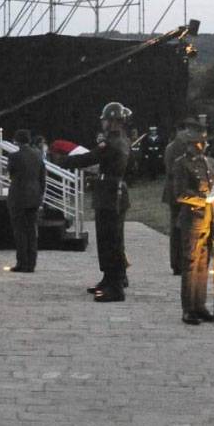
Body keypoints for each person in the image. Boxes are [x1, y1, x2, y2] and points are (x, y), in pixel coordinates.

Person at [63, 101, 132, 302]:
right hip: (110, 192)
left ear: (111, 121)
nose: (102, 123)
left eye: (105, 120)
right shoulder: (118, 139)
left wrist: (64, 161)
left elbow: (90, 158)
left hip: (111, 194)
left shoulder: (113, 142)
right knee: (107, 239)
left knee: (111, 240)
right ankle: (109, 279)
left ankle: (116, 286)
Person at [172, 125, 214, 324]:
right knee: (191, 264)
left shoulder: (211, 162)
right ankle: (188, 308)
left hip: (210, 218)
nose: (202, 145)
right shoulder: (182, 164)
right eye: (198, 142)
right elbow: (180, 193)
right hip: (193, 219)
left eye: (204, 142)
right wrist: (204, 198)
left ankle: (200, 305)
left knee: (204, 262)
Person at [6, 128, 46, 273]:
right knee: (31, 230)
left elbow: (11, 173)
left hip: (18, 197)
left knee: (20, 232)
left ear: (16, 141)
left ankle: (22, 263)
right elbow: (42, 177)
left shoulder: (14, 157)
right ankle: (32, 263)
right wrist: (40, 194)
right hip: (34, 196)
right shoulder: (38, 155)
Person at [160, 118, 194, 274]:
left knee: (180, 228)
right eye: (186, 131)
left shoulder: (174, 147)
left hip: (178, 191)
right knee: (178, 228)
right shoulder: (177, 148)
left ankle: (180, 261)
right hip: (178, 192)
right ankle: (179, 262)